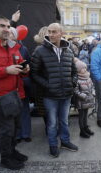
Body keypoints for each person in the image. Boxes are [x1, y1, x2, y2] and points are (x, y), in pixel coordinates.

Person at [0, 16, 29, 170]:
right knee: (6, 129)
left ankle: (12, 151)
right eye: (2, 26)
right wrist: (5, 70)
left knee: (16, 127)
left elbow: (19, 65)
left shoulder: (13, 46)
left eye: (8, 26)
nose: (6, 29)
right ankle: (5, 158)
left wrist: (24, 70)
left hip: (15, 93)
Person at [31, 23, 78, 158]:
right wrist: (48, 85)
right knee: (52, 123)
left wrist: (72, 82)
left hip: (66, 94)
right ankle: (53, 145)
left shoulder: (68, 51)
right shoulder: (40, 51)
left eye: (54, 32)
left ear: (61, 33)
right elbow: (34, 73)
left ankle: (65, 141)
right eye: (49, 32)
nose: (51, 34)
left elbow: (74, 71)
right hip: (50, 95)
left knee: (64, 120)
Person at [9, 27, 32, 143]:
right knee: (14, 111)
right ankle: (17, 135)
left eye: (12, 34)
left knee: (24, 109)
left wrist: (26, 69)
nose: (10, 37)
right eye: (9, 34)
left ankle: (26, 133)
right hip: (10, 85)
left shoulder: (23, 49)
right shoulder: (5, 48)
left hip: (22, 84)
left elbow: (28, 62)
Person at [74, 58, 95, 138]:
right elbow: (75, 91)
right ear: (78, 70)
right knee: (81, 116)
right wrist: (84, 96)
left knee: (86, 114)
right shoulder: (77, 79)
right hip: (81, 101)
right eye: (82, 68)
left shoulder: (88, 77)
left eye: (85, 67)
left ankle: (86, 127)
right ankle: (82, 130)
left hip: (88, 100)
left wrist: (93, 92)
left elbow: (92, 86)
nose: (84, 69)